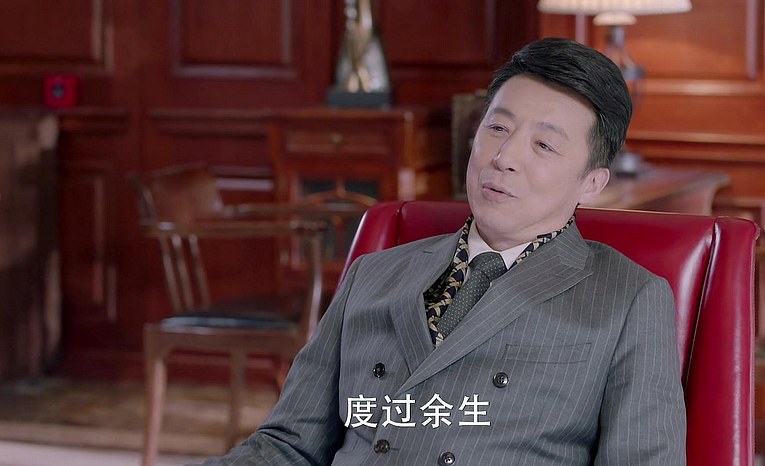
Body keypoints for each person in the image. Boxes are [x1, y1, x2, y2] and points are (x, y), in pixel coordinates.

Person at [193, 37, 686, 466]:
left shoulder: (629, 299)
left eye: (544, 146)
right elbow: (288, 446)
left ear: (592, 182)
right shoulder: (373, 274)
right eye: (497, 128)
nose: (504, 157)